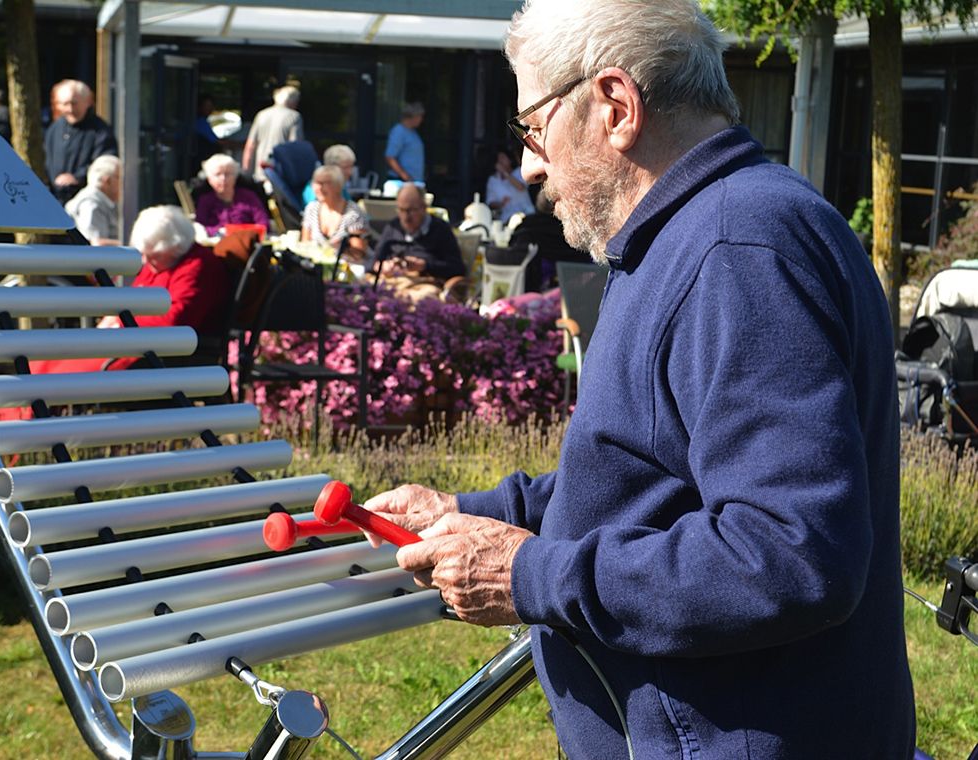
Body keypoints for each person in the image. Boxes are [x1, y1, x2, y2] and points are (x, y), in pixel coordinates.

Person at [362, 2, 915, 759]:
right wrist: (467, 509)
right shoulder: (695, 234)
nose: (528, 164)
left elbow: (791, 554)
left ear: (615, 106)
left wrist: (531, 574)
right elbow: (647, 477)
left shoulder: (735, 250)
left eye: (532, 127)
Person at [0, 206, 230, 423]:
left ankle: (16, 433)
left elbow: (175, 320)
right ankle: (1, 428)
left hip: (152, 350)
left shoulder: (197, 267)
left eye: (151, 255)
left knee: (61, 376)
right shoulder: (163, 261)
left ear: (176, 246)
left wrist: (119, 323)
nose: (145, 261)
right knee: (42, 362)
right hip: (131, 341)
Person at [370, 184, 464, 301]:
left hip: (423, 284)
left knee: (420, 299)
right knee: (361, 289)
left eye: (411, 210)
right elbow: (374, 261)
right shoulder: (393, 227)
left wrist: (425, 265)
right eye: (401, 210)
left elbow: (457, 268)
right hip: (391, 281)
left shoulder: (440, 229)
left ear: (424, 208)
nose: (406, 216)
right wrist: (383, 265)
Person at [44, 78, 118, 204]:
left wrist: (77, 177)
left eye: (74, 103)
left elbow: (105, 164)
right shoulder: (54, 129)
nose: (70, 109)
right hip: (55, 200)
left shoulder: (100, 131)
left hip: (86, 202)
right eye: (65, 104)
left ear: (87, 102)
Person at [300, 165, 368, 262]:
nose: (319, 187)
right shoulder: (311, 209)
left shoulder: (354, 213)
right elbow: (305, 245)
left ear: (338, 186)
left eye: (325, 183)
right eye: (316, 182)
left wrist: (337, 250)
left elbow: (358, 254)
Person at [195, 153, 270, 236]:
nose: (223, 179)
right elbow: (200, 228)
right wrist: (220, 232)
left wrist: (240, 231)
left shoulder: (249, 196)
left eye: (227, 174)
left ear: (235, 177)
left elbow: (263, 224)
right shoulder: (205, 201)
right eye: (218, 174)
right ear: (209, 179)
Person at [241, 85, 302, 183]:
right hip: (280, 172)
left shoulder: (261, 115)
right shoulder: (294, 116)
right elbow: (295, 146)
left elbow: (250, 145)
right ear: (293, 101)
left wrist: (246, 172)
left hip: (260, 170)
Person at [64, 154, 121, 246]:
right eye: (121, 178)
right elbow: (96, 244)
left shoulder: (103, 201)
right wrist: (133, 245)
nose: (125, 183)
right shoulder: (91, 203)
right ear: (107, 181)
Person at [384, 101, 425, 192]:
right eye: (419, 116)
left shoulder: (413, 132)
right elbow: (390, 157)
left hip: (414, 182)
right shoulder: (399, 132)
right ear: (412, 116)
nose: (421, 119)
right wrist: (405, 176)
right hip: (402, 183)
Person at [485, 147, 534, 223]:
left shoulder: (519, 171)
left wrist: (505, 173)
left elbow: (521, 187)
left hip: (526, 214)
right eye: (498, 159)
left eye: (503, 158)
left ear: (510, 159)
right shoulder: (493, 180)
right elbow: (490, 202)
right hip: (506, 218)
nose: (500, 161)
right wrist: (501, 204)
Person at [301, 143, 356, 208]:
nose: (350, 172)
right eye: (345, 167)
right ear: (332, 168)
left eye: (351, 167)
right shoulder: (317, 189)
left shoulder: (340, 187)